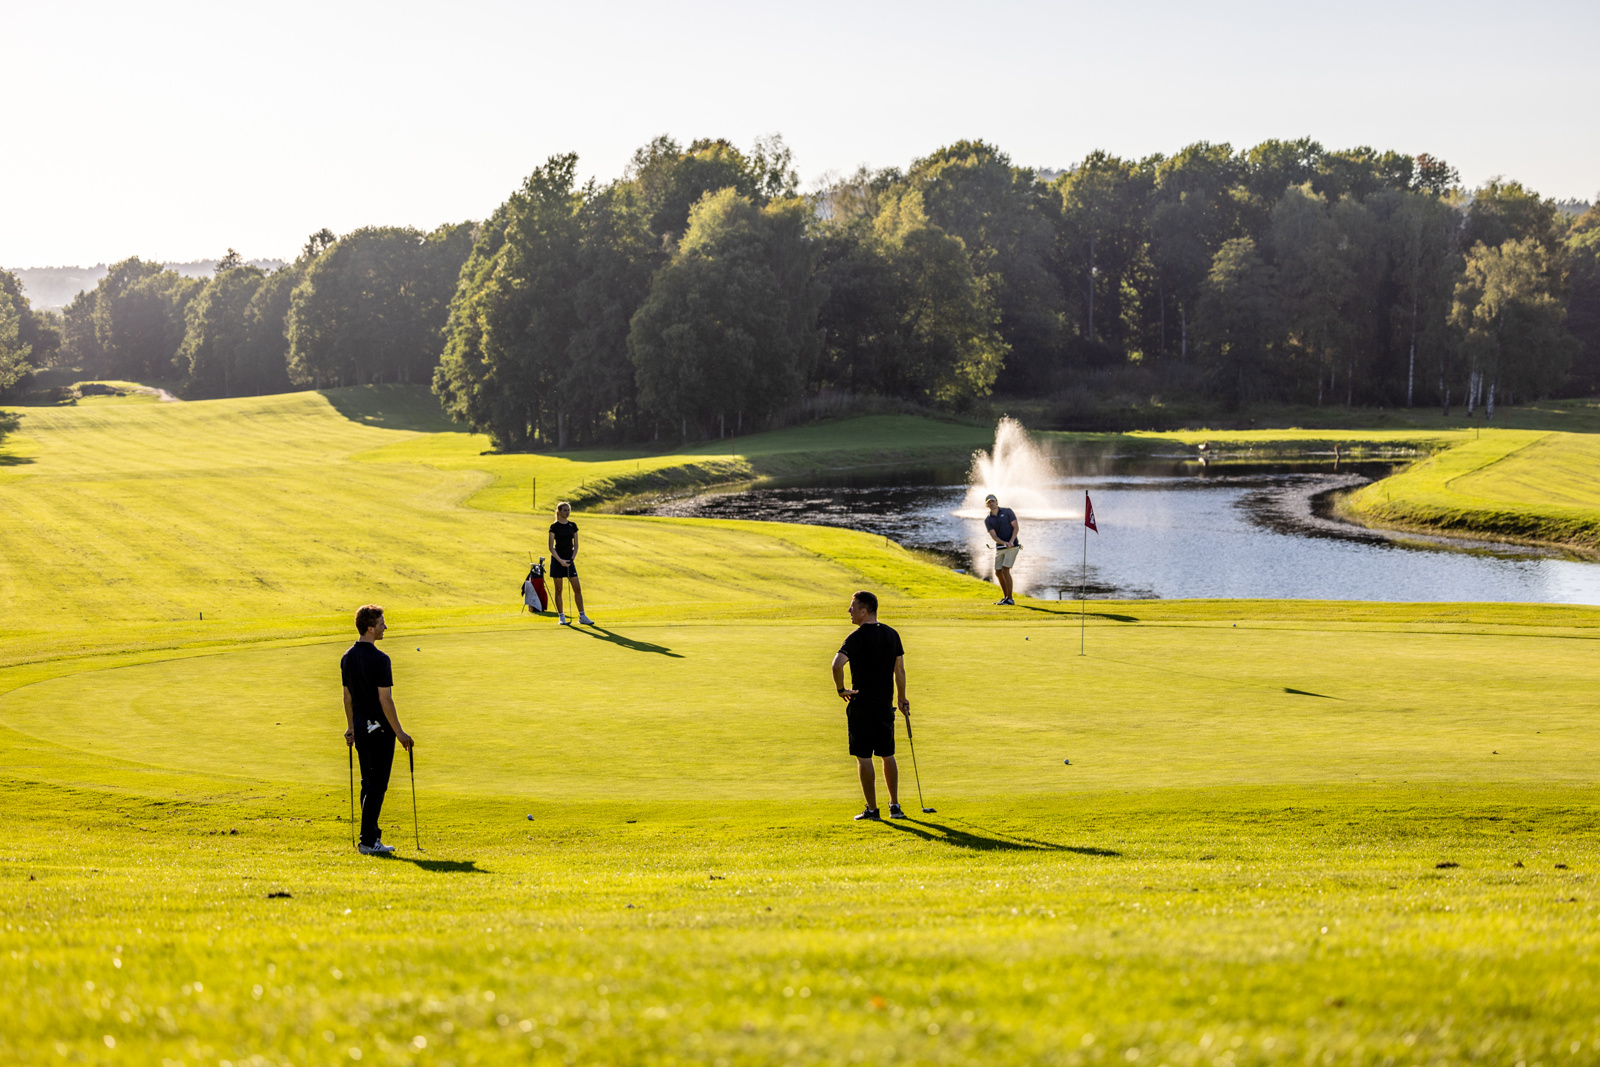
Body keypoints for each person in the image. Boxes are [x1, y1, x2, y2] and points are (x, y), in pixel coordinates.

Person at [830, 590, 910, 822]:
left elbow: (836, 665)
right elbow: (899, 670)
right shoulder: (892, 634)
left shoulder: (856, 637)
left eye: (853, 606)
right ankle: (894, 806)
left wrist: (841, 690)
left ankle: (873, 810)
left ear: (864, 611)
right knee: (887, 754)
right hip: (885, 705)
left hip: (861, 706)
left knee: (864, 757)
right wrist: (901, 698)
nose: (849, 610)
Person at [341, 604, 414, 856]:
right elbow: (385, 700)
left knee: (367, 783)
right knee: (377, 785)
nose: (385, 627)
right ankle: (368, 840)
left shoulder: (347, 657)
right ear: (370, 628)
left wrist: (351, 726)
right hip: (381, 731)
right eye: (382, 623)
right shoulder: (381, 659)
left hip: (361, 728)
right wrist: (400, 732)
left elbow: (347, 697)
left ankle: (370, 837)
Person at [547, 501, 594, 626]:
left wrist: (571, 559)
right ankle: (561, 617)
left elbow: (576, 545)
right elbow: (551, 547)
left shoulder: (573, 525)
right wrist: (561, 561)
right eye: (565, 510)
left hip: (569, 560)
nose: (567, 512)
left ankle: (582, 616)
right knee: (558, 590)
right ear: (559, 512)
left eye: (568, 510)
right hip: (557, 561)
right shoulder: (554, 527)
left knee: (577, 588)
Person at [983, 493, 1020, 605]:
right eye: (989, 502)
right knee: (998, 572)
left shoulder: (1007, 511)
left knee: (1005, 569)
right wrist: (1004, 543)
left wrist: (1011, 541)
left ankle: (1010, 599)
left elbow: (1016, 527)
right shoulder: (988, 520)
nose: (991, 504)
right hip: (1000, 547)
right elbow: (994, 536)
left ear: (997, 502)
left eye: (993, 501)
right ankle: (1005, 597)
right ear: (987, 505)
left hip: (1013, 546)